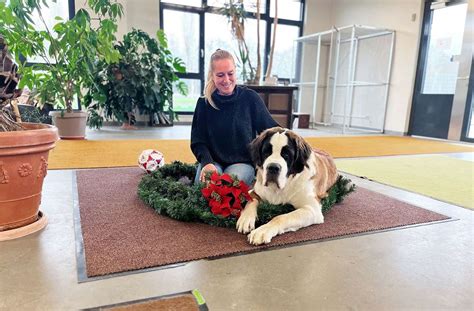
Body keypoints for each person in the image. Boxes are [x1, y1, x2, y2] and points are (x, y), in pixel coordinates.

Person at [191, 49, 279, 186]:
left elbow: (272, 129)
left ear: (235, 71)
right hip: (213, 162)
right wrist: (207, 163)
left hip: (242, 162)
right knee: (205, 188)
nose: (226, 80)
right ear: (212, 75)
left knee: (228, 189)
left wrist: (297, 143)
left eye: (230, 73)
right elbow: (198, 141)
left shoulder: (250, 98)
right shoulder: (203, 103)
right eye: (220, 75)